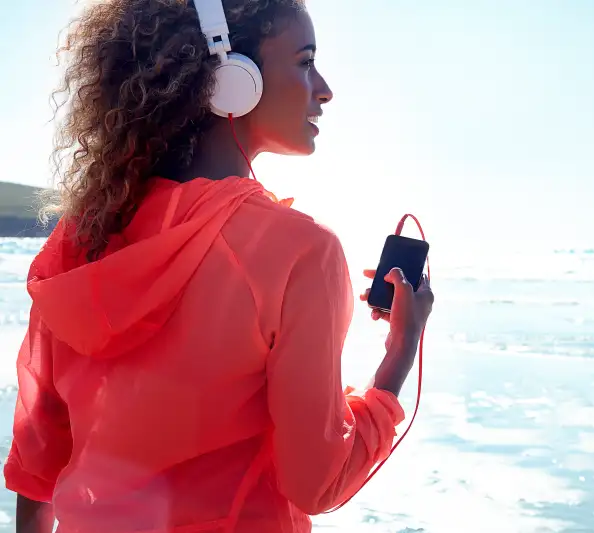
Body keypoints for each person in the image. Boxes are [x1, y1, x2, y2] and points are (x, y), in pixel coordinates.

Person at [4, 1, 434, 532]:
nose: (323, 89)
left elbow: (38, 466)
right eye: (303, 62)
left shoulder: (79, 243)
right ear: (234, 79)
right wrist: (400, 354)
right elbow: (318, 481)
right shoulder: (300, 252)